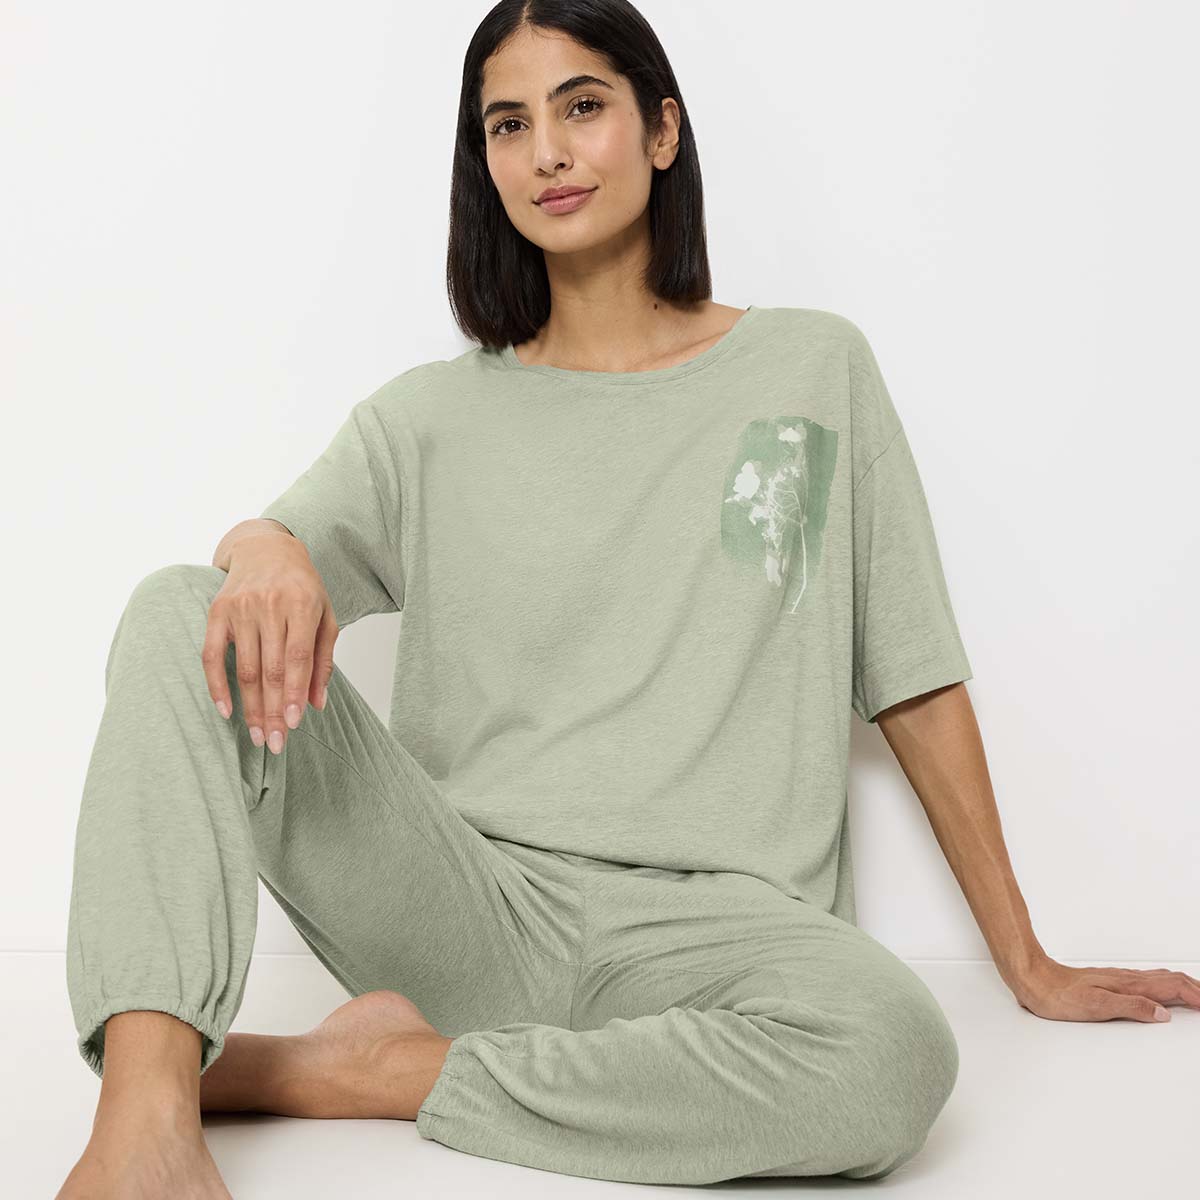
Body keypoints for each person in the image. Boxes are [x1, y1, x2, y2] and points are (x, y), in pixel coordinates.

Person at [58, 2, 1199, 1196]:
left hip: (723, 936)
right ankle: (146, 1119)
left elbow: (911, 675)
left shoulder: (812, 371)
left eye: (582, 106)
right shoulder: (428, 419)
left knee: (893, 1053)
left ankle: (359, 1072)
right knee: (177, 611)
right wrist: (264, 547)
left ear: (662, 131)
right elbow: (265, 561)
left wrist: (1026, 959)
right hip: (470, 911)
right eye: (509, 124)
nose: (547, 151)